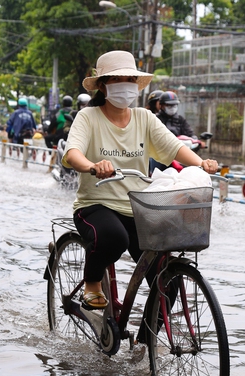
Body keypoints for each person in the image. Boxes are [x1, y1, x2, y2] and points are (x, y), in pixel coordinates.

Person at [62, 50, 219, 309]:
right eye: (117, 79)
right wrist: (92, 166)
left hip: (139, 207)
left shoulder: (144, 118)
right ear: (102, 85)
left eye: (130, 80)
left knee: (168, 280)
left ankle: (147, 341)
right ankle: (92, 282)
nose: (126, 86)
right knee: (114, 238)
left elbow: (173, 148)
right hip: (96, 204)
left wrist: (201, 163)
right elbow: (72, 153)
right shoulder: (88, 117)